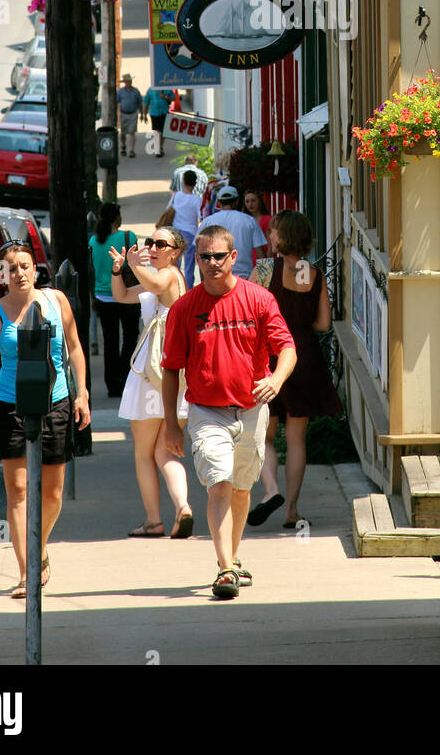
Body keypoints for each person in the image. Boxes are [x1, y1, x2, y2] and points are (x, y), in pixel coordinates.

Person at [0, 239, 90, 599]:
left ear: (35, 269)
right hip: (10, 405)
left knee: (53, 494)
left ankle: (38, 547)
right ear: (2, 275)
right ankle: (28, 573)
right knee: (20, 492)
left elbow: (73, 347)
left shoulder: (56, 302)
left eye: (25, 265)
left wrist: (82, 393)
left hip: (55, 401)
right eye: (12, 268)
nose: (20, 273)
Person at [161, 224, 297, 600]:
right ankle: (223, 569)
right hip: (207, 411)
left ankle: (233, 557)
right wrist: (172, 423)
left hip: (252, 410)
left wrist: (277, 380)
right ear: (197, 260)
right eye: (204, 257)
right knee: (218, 484)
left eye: (219, 256)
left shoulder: (258, 299)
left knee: (240, 489)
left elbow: (287, 348)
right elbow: (171, 367)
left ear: (234, 258)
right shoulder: (185, 308)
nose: (211, 263)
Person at [248, 211, 342, 530]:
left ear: (284, 235)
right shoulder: (314, 274)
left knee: (265, 434)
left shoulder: (263, 270)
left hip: (271, 358)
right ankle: (291, 510)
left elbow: (248, 315)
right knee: (298, 439)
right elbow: (323, 324)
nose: (270, 236)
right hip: (304, 357)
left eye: (273, 232)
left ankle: (270, 490)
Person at [110, 225, 193, 539]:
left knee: (144, 453)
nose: (154, 247)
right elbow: (121, 296)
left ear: (175, 252)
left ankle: (154, 520)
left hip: (152, 375)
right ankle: (182, 507)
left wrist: (134, 264)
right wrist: (120, 270)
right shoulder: (156, 280)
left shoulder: (169, 275)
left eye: (162, 243)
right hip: (170, 376)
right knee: (165, 452)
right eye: (151, 242)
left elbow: (156, 282)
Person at [89, 202, 139, 397]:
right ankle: (126, 378)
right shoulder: (128, 237)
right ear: (117, 218)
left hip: (103, 297)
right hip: (127, 295)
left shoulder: (93, 241)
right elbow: (135, 266)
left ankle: (112, 385)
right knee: (130, 338)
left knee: (110, 343)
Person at [199, 185, 267, 276]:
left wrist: (204, 281)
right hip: (244, 277)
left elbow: (200, 253)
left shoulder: (207, 222)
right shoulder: (249, 221)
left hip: (215, 276)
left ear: (219, 202)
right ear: (237, 201)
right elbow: (261, 256)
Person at [159, 170, 201, 285]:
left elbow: (168, 210)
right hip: (191, 235)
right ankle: (188, 293)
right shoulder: (197, 199)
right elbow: (201, 216)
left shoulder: (176, 196)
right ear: (195, 183)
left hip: (176, 234)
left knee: (174, 265)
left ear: (183, 181)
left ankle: (175, 289)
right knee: (189, 268)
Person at [116, 73, 143, 158]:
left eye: (130, 81)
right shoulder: (120, 91)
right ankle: (123, 146)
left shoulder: (136, 91)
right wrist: (117, 114)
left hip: (133, 114)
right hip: (123, 114)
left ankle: (132, 150)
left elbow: (140, 103)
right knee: (123, 133)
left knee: (132, 132)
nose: (129, 82)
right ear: (124, 82)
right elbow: (116, 102)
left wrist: (142, 114)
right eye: (127, 81)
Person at [142, 84, 172, 157]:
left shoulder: (166, 88)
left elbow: (173, 98)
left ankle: (160, 146)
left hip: (164, 112)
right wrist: (145, 115)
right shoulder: (150, 90)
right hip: (154, 113)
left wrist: (165, 97)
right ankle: (157, 149)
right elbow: (146, 102)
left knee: (164, 132)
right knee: (157, 131)